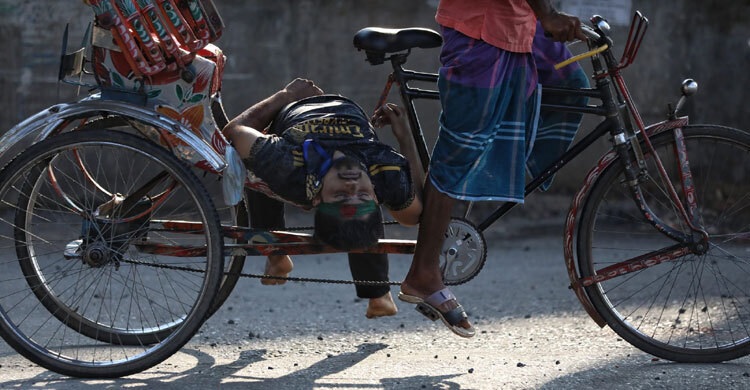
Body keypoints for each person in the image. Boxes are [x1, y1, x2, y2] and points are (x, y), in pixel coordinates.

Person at [398, 0, 588, 338]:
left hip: (519, 27)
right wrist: (548, 13)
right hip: (480, 32)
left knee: (572, 85)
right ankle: (424, 272)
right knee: (460, 147)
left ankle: (494, 182)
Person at [223, 78, 425, 318]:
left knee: (258, 171)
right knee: (359, 223)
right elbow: (413, 216)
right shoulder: (384, 174)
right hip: (346, 107)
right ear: (375, 193)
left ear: (318, 199)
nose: (352, 184)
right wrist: (405, 136)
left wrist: (286, 95)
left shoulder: (289, 164)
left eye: (340, 194)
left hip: (294, 113)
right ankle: (378, 292)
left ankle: (276, 253)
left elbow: (232, 133)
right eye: (362, 193)